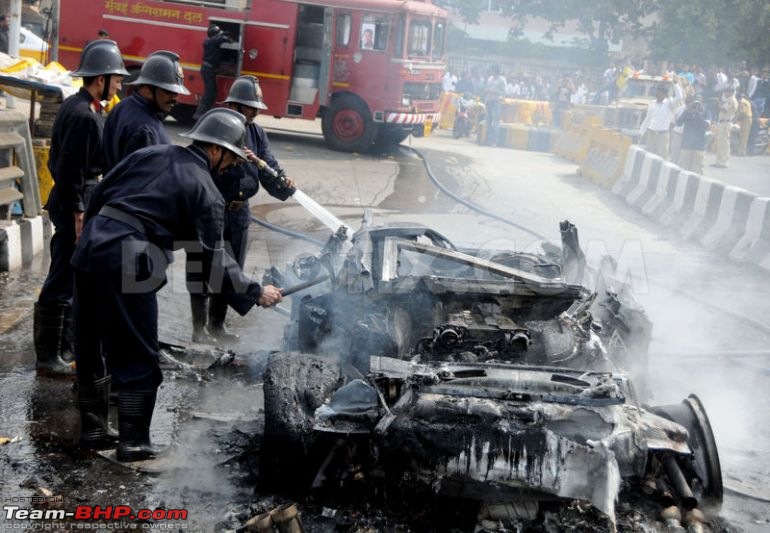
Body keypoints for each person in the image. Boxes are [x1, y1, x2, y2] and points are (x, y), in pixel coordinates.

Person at [71, 108, 284, 460]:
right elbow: (215, 260)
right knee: (138, 351)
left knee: (89, 342)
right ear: (215, 150)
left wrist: (91, 236)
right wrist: (255, 291)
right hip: (134, 256)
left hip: (92, 247)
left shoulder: (151, 153)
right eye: (230, 158)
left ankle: (93, 431)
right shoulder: (207, 191)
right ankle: (134, 443)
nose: (231, 167)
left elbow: (99, 194)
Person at [34, 39, 129, 376]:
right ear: (99, 79)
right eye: (115, 78)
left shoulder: (76, 106)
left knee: (70, 276)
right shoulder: (83, 116)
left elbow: (60, 164)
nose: (119, 84)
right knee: (62, 275)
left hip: (74, 199)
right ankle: (48, 357)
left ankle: (61, 349)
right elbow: (71, 168)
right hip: (75, 202)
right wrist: (78, 213)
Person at [203, 75, 296, 343]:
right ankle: (201, 328)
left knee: (233, 269)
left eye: (256, 107)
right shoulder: (218, 127)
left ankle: (217, 326)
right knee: (211, 268)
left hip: (240, 212)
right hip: (215, 209)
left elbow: (268, 165)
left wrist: (283, 183)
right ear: (233, 106)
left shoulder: (256, 132)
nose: (254, 111)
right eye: (249, 107)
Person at [102, 50, 189, 172]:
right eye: (169, 91)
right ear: (148, 89)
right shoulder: (146, 130)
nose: (175, 98)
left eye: (177, 93)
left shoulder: (122, 106)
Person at [193, 24, 232, 120]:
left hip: (209, 69)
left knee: (212, 93)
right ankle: (199, 115)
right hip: (207, 69)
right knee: (209, 93)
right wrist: (227, 37)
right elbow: (223, 39)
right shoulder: (210, 41)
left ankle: (205, 114)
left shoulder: (211, 41)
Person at [639, 82, 683, 160]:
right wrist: (641, 132)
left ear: (665, 94)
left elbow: (680, 97)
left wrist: (675, 84)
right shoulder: (652, 103)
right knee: (649, 156)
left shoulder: (670, 104)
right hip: (651, 133)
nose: (658, 94)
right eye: (658, 91)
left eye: (661, 92)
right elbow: (647, 119)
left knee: (662, 157)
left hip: (662, 134)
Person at [676, 97, 709, 174]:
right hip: (686, 145)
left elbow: (706, 126)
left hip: (699, 146)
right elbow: (678, 123)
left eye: (699, 104)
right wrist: (687, 112)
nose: (696, 107)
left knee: (697, 170)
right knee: (684, 169)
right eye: (695, 105)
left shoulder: (706, 113)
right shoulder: (687, 112)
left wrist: (697, 114)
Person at [713, 87, 738, 168]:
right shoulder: (728, 100)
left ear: (731, 92)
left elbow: (724, 109)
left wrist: (718, 102)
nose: (725, 93)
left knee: (724, 144)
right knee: (720, 143)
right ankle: (719, 161)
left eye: (726, 91)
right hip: (722, 122)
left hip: (726, 123)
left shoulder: (731, 100)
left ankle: (724, 162)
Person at [483, 65, 507, 146]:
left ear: (496, 71)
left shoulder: (502, 80)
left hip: (496, 102)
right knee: (488, 122)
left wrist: (494, 91)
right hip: (488, 101)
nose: (491, 72)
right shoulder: (490, 79)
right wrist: (486, 91)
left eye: (492, 70)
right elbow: (486, 88)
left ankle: (495, 141)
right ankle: (488, 140)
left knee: (495, 122)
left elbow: (504, 92)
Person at [736, 92, 753, 156]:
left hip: (746, 119)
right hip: (747, 119)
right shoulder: (745, 101)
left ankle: (742, 152)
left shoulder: (741, 102)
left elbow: (742, 112)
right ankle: (741, 151)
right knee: (744, 136)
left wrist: (736, 119)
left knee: (743, 136)